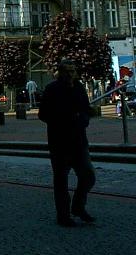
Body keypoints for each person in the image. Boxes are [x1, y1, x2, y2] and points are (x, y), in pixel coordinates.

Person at [38, 59, 96, 227]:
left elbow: (85, 109)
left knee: (88, 176)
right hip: (59, 142)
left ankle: (78, 206)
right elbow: (43, 114)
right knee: (61, 180)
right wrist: (61, 120)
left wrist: (84, 119)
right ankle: (63, 215)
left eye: (73, 71)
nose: (71, 74)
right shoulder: (52, 89)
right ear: (60, 73)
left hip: (79, 140)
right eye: (67, 71)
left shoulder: (78, 87)